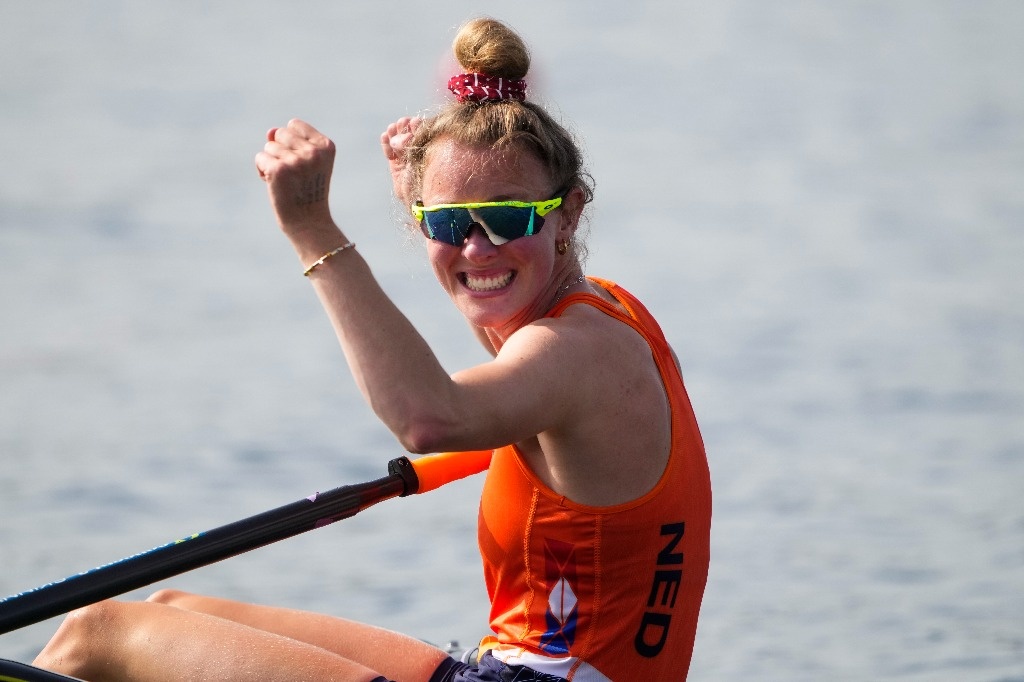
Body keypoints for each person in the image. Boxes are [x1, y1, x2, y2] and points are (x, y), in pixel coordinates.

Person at [32, 17, 711, 682]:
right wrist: (422, 197)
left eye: (505, 217)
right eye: (447, 221)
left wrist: (311, 231)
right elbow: (506, 327)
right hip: (513, 667)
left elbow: (430, 420)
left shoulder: (575, 355)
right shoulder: (604, 314)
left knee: (96, 636)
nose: (477, 247)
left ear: (568, 212)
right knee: (171, 608)